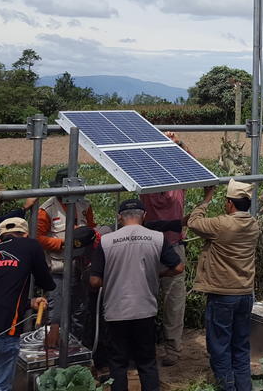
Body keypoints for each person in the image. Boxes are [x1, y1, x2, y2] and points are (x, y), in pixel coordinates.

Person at [89, 198, 184, 391]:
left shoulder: (106, 241)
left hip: (116, 310)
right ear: (144, 216)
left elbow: (94, 281)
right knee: (147, 362)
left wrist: (115, 280)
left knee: (118, 363)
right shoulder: (157, 238)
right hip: (145, 310)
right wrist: (159, 273)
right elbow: (179, 267)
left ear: (119, 218)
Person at [0, 217, 54, 391]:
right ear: (26, 234)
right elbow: (46, 282)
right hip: (1, 328)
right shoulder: (30, 245)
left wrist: (29, 303)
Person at [187, 179, 260, 391]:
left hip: (222, 295)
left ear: (229, 203)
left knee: (220, 347)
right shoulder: (253, 225)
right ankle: (244, 387)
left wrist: (206, 198)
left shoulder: (221, 224)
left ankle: (227, 387)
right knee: (240, 346)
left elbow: (193, 222)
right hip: (245, 293)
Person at [140, 132, 189, 366]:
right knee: (145, 300)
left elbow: (194, 166)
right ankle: (147, 347)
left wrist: (178, 144)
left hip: (172, 246)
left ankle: (172, 348)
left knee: (173, 302)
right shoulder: (145, 178)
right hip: (148, 246)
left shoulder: (179, 180)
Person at [36, 167, 98, 341]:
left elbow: (92, 229)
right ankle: (56, 352)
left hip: (81, 268)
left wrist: (85, 236)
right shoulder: (46, 210)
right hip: (58, 269)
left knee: (79, 312)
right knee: (56, 314)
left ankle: (74, 349)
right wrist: (63, 242)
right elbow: (38, 238)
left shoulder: (84, 205)